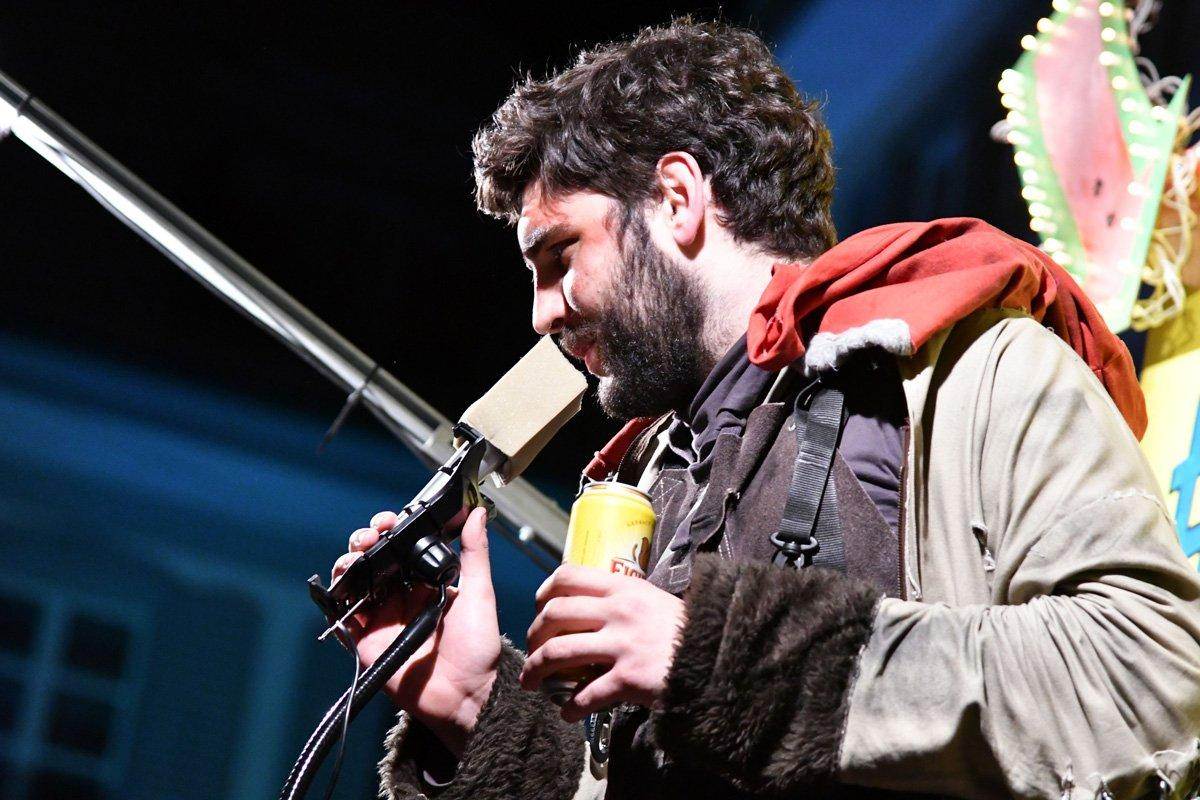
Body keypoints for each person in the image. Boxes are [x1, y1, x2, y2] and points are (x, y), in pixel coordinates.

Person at [329, 19, 1200, 800]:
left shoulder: (974, 370)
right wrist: (474, 705)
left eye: (560, 255)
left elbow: (1152, 682)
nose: (541, 313)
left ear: (678, 199)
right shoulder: (653, 479)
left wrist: (721, 657)